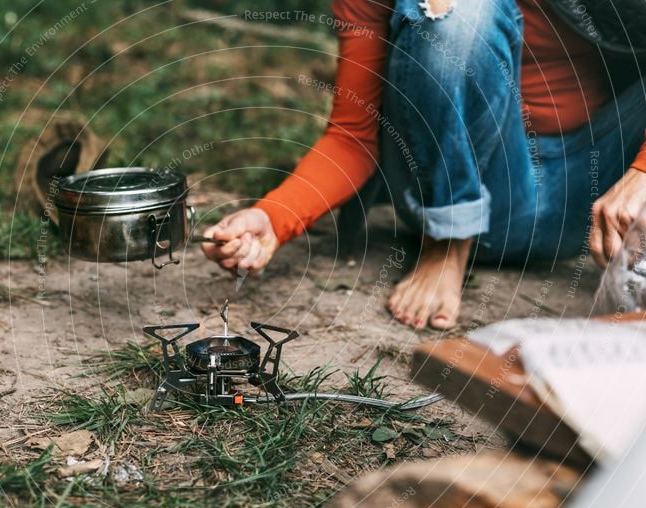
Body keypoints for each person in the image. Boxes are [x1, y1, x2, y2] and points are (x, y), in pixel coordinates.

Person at [201, 0, 646, 329]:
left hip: (592, 197)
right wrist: (273, 217)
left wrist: (642, 171)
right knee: (449, 10)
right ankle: (447, 243)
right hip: (474, 188)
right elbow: (354, 136)